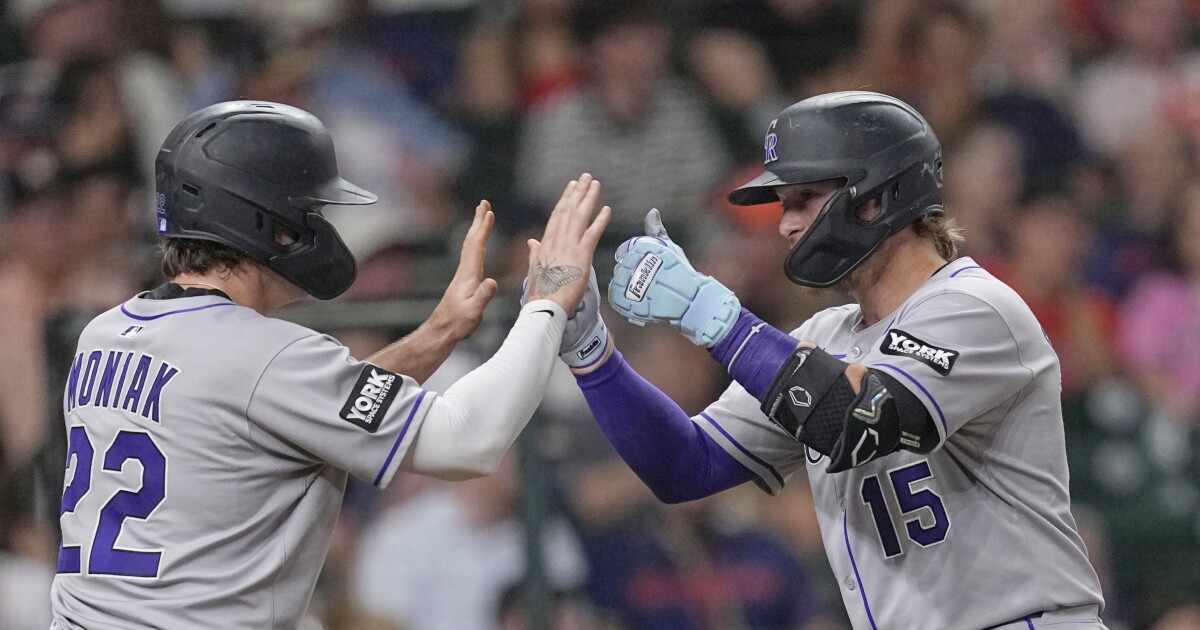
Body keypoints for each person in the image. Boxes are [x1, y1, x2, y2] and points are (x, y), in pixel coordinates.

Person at [49, 100, 610, 629]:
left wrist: (437, 334)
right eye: (307, 211)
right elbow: (469, 441)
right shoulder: (264, 354)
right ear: (262, 220)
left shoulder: (105, 334)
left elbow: (304, 408)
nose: (316, 227)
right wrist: (548, 301)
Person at [562, 91, 1109, 628]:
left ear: (875, 196)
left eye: (803, 198)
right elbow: (685, 466)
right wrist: (593, 354)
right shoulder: (824, 336)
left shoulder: (974, 307)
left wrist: (715, 315)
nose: (786, 225)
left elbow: (861, 418)